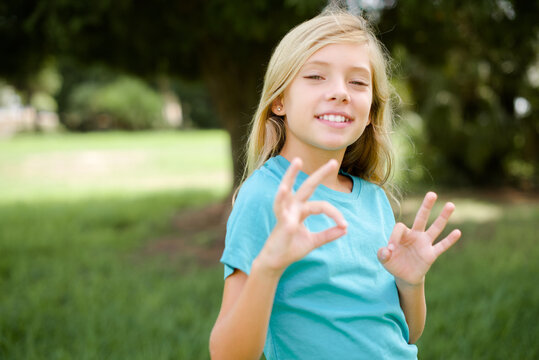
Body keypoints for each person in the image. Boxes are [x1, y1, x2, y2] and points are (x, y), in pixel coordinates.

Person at [209, 8, 462, 360]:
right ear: (279, 100)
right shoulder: (266, 198)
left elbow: (406, 331)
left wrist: (410, 282)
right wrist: (267, 268)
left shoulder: (373, 200)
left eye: (357, 82)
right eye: (316, 76)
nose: (340, 92)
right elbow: (228, 355)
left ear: (371, 110)